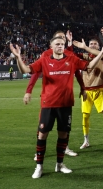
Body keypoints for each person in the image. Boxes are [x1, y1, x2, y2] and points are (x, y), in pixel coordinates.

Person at [9, 36, 103, 179]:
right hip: (48, 105)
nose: (60, 46)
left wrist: (100, 53)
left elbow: (88, 66)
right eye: (57, 44)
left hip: (65, 104)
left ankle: (60, 164)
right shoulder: (44, 60)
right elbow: (26, 69)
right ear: (51, 46)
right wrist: (19, 57)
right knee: (42, 134)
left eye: (62, 44)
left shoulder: (71, 59)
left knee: (63, 135)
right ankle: (39, 166)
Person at [25, 30, 83, 158]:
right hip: (49, 98)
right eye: (59, 38)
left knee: (64, 128)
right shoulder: (46, 55)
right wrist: (29, 91)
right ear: (53, 42)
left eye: (64, 38)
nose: (62, 40)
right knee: (43, 127)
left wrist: (82, 87)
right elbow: (35, 72)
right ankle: (38, 152)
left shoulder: (69, 54)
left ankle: (65, 148)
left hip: (65, 99)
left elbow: (77, 72)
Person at [77, 28, 103, 149]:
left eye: (95, 44)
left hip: (99, 89)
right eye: (91, 44)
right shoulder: (83, 56)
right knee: (85, 116)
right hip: (86, 91)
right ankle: (86, 140)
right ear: (87, 45)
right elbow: (71, 55)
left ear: (99, 46)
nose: (93, 45)